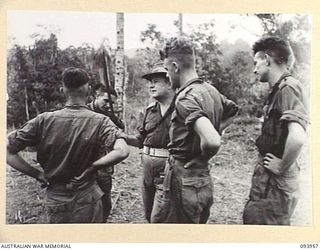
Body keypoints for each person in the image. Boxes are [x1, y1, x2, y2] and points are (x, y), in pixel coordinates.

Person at [7, 67, 129, 223]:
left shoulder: (44, 120)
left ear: (62, 89)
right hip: (88, 196)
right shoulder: (101, 121)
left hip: (55, 198)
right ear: (89, 90)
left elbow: (7, 151)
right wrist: (93, 167)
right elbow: (122, 151)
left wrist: (37, 174)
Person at [155, 36, 238, 223]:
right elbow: (232, 110)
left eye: (167, 70)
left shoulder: (186, 98)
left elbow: (212, 141)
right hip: (201, 180)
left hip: (183, 178)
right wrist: (214, 131)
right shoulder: (210, 90)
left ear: (175, 67)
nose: (167, 77)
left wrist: (203, 155)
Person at [243, 37, 309, 225]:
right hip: (269, 182)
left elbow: (297, 137)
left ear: (267, 59)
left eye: (256, 63)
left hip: (274, 184)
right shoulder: (281, 88)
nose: (254, 69)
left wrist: (282, 165)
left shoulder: (287, 88)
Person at [125, 62, 176, 223]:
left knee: (159, 218)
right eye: (150, 82)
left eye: (156, 81)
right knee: (148, 215)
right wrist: (119, 136)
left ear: (169, 83)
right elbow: (139, 140)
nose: (151, 86)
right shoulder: (149, 111)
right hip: (147, 169)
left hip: (168, 170)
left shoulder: (181, 109)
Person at [87, 83, 124, 222]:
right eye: (106, 101)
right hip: (85, 165)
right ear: (96, 96)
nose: (109, 105)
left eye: (112, 103)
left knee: (105, 205)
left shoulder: (109, 116)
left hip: (103, 167)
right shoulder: (84, 112)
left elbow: (121, 128)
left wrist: (113, 117)